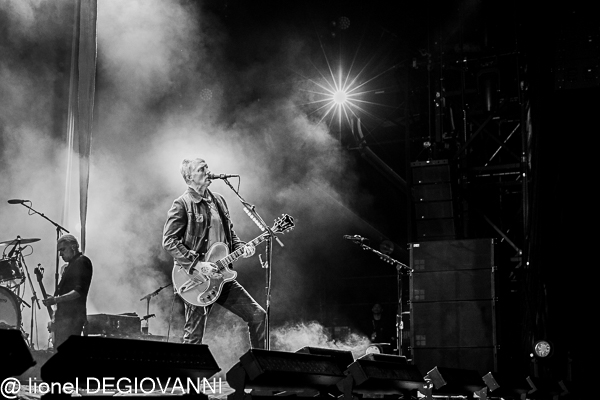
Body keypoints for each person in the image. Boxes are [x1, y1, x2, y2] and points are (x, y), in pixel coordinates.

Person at [163, 158, 266, 347]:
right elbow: (169, 241)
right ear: (189, 177)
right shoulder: (182, 203)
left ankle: (261, 365)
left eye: (207, 168)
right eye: (202, 169)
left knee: (258, 315)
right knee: (194, 337)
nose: (208, 171)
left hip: (221, 275)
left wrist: (242, 247)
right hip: (196, 277)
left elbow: (229, 234)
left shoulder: (219, 200)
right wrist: (198, 265)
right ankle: (187, 368)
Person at [42, 234, 93, 348]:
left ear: (73, 246)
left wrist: (55, 300)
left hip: (72, 319)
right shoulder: (70, 265)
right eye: (59, 251)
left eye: (63, 249)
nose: (60, 254)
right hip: (64, 319)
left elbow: (79, 292)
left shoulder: (82, 262)